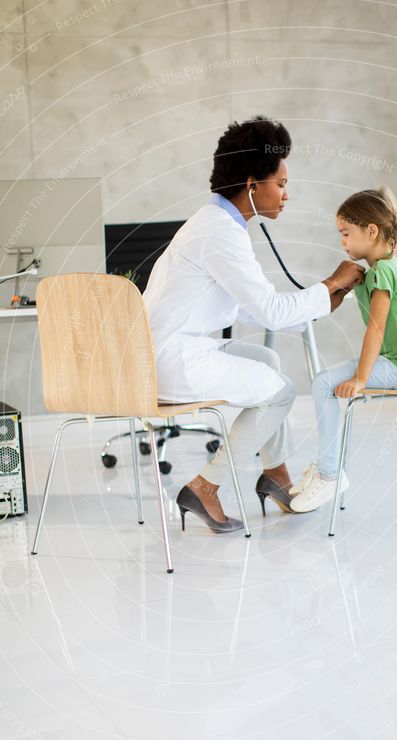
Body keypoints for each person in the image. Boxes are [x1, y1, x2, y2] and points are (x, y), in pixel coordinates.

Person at [143, 116, 362, 531]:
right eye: (280, 184)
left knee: (268, 362)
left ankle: (275, 472)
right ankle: (205, 486)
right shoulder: (220, 234)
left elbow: (248, 309)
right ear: (251, 184)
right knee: (281, 393)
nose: (286, 195)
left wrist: (326, 300)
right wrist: (331, 283)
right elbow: (270, 311)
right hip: (169, 358)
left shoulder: (218, 224)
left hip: (175, 349)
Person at [290, 187, 397, 512]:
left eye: (346, 233)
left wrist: (361, 378)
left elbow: (376, 328)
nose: (342, 242)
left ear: (371, 231)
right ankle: (326, 467)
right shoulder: (382, 269)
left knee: (323, 383)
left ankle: (329, 473)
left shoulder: (384, 272)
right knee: (324, 382)